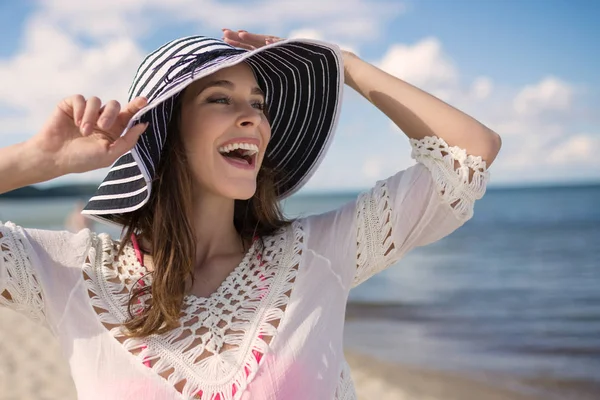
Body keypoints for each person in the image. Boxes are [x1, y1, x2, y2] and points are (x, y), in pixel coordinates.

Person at [0, 30, 501, 400]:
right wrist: (41, 159)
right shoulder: (71, 275)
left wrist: (344, 65)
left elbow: (469, 151)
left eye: (258, 104)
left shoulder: (319, 254)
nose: (255, 118)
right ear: (165, 132)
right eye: (221, 98)